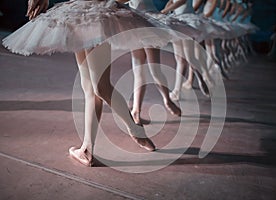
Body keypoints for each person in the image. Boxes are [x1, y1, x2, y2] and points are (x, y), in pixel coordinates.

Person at [2, 0, 173, 166]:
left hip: (96, 16)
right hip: (78, 14)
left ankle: (135, 130)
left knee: (100, 86)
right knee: (89, 87)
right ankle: (87, 148)